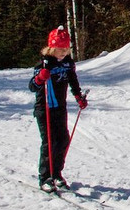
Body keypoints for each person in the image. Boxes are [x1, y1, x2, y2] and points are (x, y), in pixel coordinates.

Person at [29, 25, 87, 192]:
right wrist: (40, 78)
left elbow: (73, 81)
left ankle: (56, 173)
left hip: (60, 108)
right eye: (60, 49)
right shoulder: (44, 64)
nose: (63, 52)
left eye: (66, 49)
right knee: (49, 142)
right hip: (44, 109)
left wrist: (78, 97)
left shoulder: (68, 64)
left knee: (62, 140)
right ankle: (45, 177)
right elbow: (32, 86)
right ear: (51, 48)